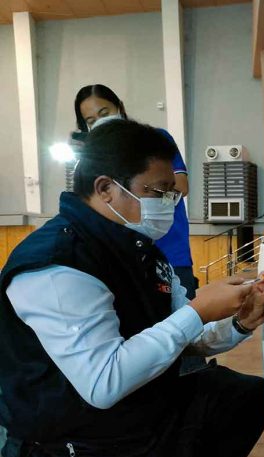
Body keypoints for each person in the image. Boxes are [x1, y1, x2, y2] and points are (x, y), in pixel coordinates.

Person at [0, 120, 264, 457]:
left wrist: (239, 323)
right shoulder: (58, 266)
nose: (167, 203)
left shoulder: (140, 248)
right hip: (72, 442)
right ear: (106, 187)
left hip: (138, 409)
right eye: (156, 191)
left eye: (171, 193)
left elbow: (187, 335)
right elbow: (103, 382)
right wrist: (198, 310)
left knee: (241, 399)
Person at [73, 84, 197, 299]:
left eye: (105, 113)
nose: (101, 121)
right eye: (91, 121)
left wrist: (148, 198)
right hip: (123, 256)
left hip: (170, 250)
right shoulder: (93, 159)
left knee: (185, 318)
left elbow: (181, 186)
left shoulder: (154, 140)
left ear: (119, 107)